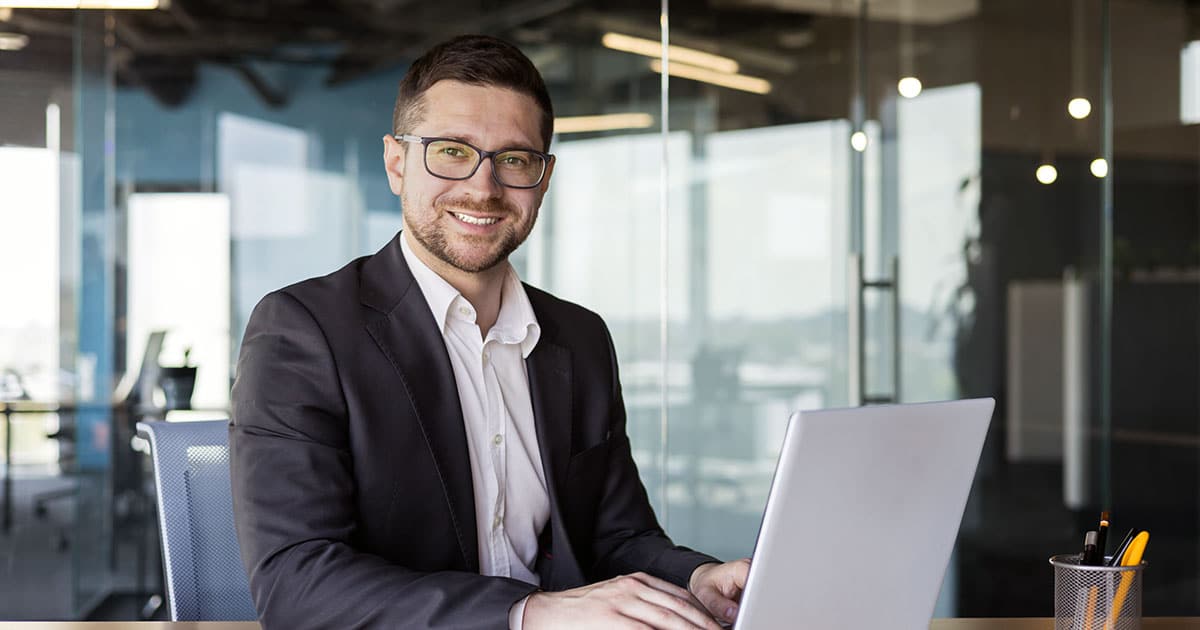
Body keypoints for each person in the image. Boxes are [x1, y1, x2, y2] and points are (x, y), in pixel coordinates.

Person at [229, 34, 750, 630]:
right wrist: (527, 613)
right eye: (452, 151)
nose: (483, 187)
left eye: (514, 159)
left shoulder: (579, 338)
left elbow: (618, 535)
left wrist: (696, 579)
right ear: (397, 163)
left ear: (543, 178)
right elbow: (297, 583)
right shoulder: (304, 331)